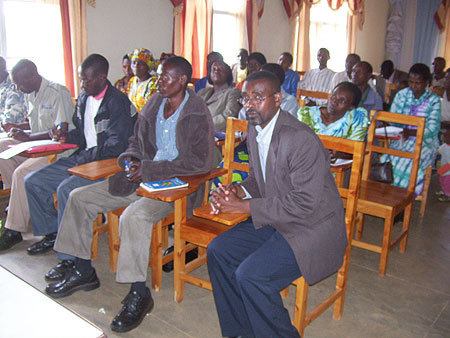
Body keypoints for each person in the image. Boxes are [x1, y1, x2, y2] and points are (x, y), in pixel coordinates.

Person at [44, 56, 214, 333]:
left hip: (175, 187)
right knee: (79, 197)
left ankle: (139, 293)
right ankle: (83, 270)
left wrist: (149, 168)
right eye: (158, 76)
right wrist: (131, 160)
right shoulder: (154, 104)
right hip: (140, 177)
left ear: (183, 81)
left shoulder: (197, 112)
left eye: (166, 77)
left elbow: (200, 162)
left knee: (133, 217)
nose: (159, 81)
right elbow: (135, 141)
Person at [207, 70, 347, 338]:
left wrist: (244, 207)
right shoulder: (254, 126)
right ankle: (241, 332)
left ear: (277, 99)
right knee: (218, 250)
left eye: (257, 97)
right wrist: (238, 190)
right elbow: (261, 180)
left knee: (252, 275)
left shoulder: (299, 138)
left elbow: (305, 202)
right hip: (278, 216)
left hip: (311, 228)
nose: (249, 105)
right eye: (245, 98)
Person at [23, 54, 134, 256]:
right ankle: (52, 234)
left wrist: (85, 158)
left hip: (106, 163)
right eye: (81, 79)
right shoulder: (84, 97)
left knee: (66, 189)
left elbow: (115, 147)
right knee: (33, 181)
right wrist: (66, 135)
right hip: (85, 157)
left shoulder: (118, 102)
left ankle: (69, 258)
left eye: (86, 79)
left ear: (102, 77)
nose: (82, 84)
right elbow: (83, 134)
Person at [0, 59, 74, 251]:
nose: (18, 87)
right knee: (1, 149)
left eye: (21, 83)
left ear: (33, 77)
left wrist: (27, 136)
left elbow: (60, 130)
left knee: (21, 173)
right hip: (36, 143)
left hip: (58, 150)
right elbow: (35, 126)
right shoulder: (30, 93)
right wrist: (17, 129)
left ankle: (14, 229)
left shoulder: (58, 92)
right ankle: (16, 204)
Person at [381, 63, 441, 196]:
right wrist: (391, 126)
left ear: (426, 82)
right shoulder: (402, 95)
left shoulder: (434, 100)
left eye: (418, 83)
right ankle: (388, 196)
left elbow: (433, 128)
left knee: (409, 162)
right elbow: (393, 118)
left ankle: (403, 199)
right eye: (411, 82)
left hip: (425, 142)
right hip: (401, 139)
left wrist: (412, 132)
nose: (413, 86)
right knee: (387, 158)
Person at [297, 81, 368, 142]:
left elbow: (356, 149)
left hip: (341, 158)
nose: (334, 102)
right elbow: (300, 142)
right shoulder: (307, 114)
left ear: (351, 107)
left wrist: (339, 153)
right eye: (334, 96)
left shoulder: (356, 119)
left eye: (342, 100)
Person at [197, 61, 241, 132]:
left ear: (228, 74)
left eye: (220, 69)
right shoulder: (202, 92)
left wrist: (203, 125)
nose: (216, 71)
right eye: (214, 69)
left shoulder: (233, 92)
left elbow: (228, 117)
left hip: (216, 136)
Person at [0, 56, 27, 128]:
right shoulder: (1, 86)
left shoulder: (14, 88)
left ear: (2, 70)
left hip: (11, 133)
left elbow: (9, 123)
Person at [128, 48, 157, 113]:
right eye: (134, 62)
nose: (136, 65)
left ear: (148, 66)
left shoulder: (153, 83)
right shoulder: (132, 81)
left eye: (141, 63)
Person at [436, 129, 450, 202]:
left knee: (447, 182)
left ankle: (448, 195)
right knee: (442, 180)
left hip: (448, 170)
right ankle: (444, 191)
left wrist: (444, 169)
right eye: (445, 136)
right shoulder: (444, 146)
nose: (445, 138)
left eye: (448, 136)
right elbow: (438, 152)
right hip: (443, 167)